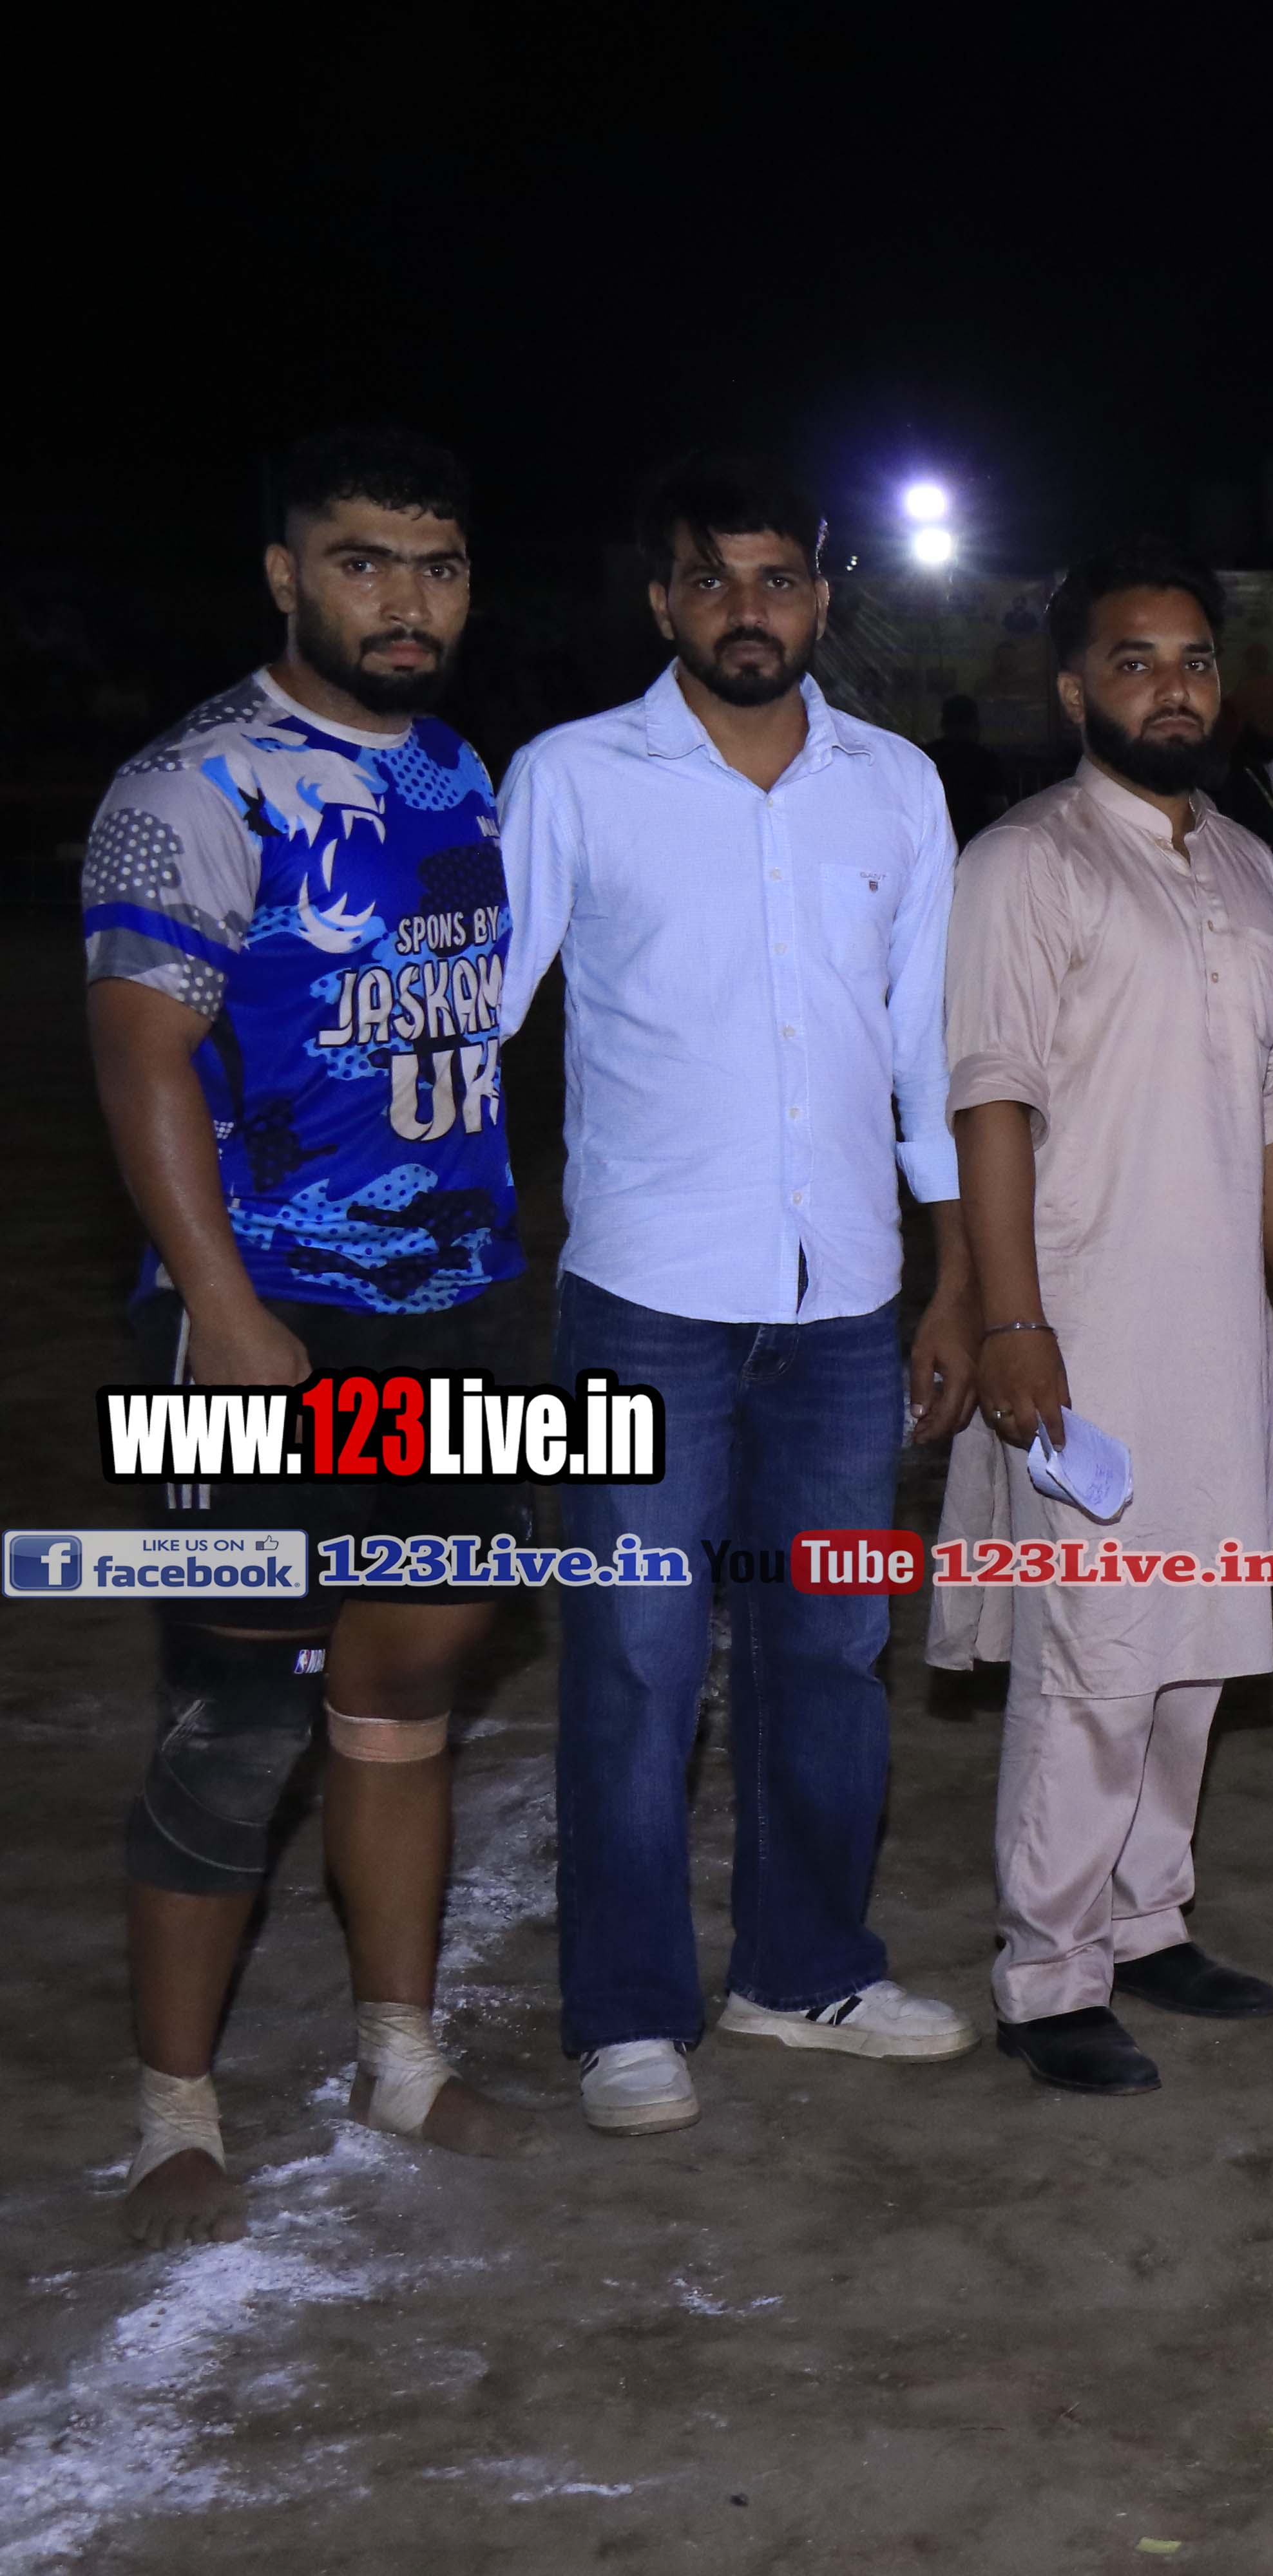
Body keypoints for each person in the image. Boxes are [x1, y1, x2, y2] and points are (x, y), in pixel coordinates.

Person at [82, 426, 546, 2242]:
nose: (406, 599)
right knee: (233, 1715)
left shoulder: (459, 772)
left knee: (409, 1684)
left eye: (437, 565)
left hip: (458, 1315)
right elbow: (142, 1056)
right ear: (287, 575)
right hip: (265, 1327)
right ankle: (173, 2112)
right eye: (364, 561)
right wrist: (220, 1306)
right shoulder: (192, 781)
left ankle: (399, 2057)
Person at [499, 454, 985, 2136]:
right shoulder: (572, 777)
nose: (749, 610)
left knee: (832, 1645)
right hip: (643, 1297)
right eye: (713, 580)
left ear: (824, 598)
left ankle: (805, 1970)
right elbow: (477, 1014)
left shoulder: (897, 787)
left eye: (778, 579)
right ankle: (628, 2013)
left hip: (846, 1299)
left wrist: (954, 1280)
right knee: (638, 1659)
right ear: (664, 603)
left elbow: (926, 1052)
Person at [928, 542, 1273, 2095]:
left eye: (1194, 661)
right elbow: (990, 1099)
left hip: (1216, 1322)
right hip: (1085, 1317)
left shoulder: (1246, 864)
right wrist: (1012, 1320)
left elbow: (1272, 1095)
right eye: (1135, 661)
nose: (1172, 688)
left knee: (1197, 1636)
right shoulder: (1024, 863)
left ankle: (1149, 1916)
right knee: (1096, 1651)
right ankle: (1048, 1972)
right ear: (1072, 689)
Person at [927, 692, 1013, 842]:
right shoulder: (985, 760)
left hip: (933, 838)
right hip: (975, 841)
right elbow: (999, 810)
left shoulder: (928, 757)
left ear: (943, 724)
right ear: (975, 724)